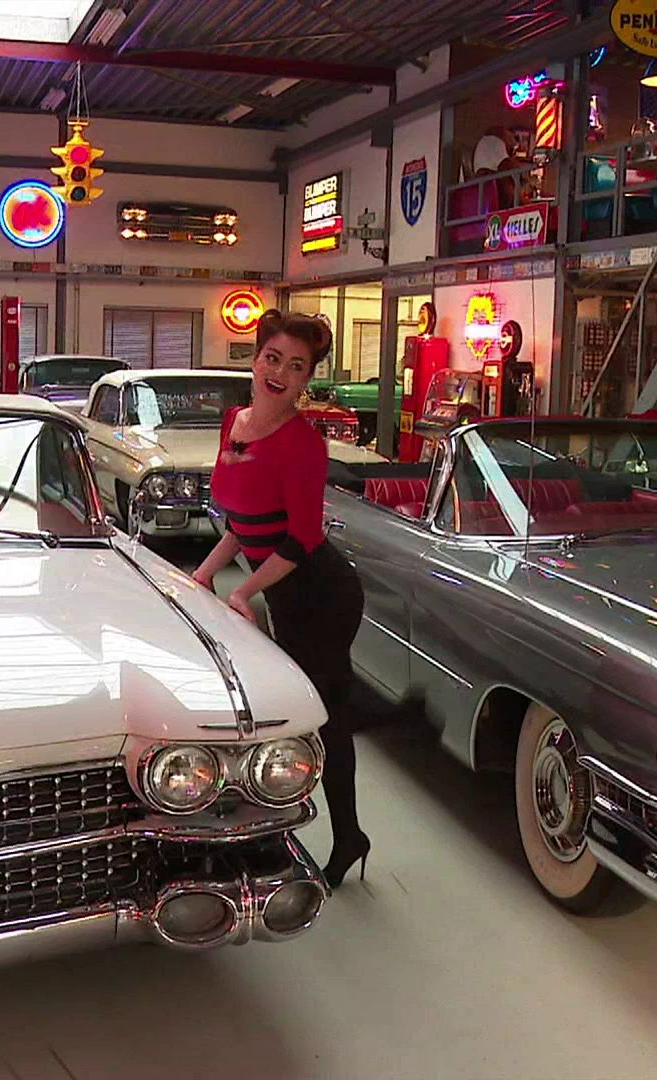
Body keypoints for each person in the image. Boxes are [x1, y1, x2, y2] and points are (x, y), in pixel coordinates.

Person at [191, 310, 370, 888]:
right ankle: (282, 832)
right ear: (254, 360)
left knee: (317, 719)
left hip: (320, 593)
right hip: (280, 590)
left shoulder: (304, 444)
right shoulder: (235, 423)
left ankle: (345, 837)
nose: (280, 373)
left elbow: (302, 538)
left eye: (296, 367)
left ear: (306, 380)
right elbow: (243, 520)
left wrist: (244, 588)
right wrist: (203, 574)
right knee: (288, 713)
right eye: (273, 358)